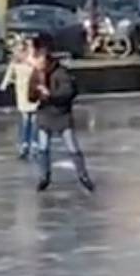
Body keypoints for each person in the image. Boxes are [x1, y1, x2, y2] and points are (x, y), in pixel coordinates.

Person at [31, 35, 95, 193]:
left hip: (61, 115)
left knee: (72, 147)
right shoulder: (36, 74)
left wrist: (50, 94)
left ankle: (83, 175)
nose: (36, 63)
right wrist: (36, 93)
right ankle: (44, 177)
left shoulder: (61, 73)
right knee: (43, 148)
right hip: (44, 115)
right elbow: (31, 96)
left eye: (38, 59)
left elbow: (68, 93)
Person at [2, 37, 40, 160]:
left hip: (34, 92)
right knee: (26, 120)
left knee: (33, 120)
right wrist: (4, 85)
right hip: (23, 93)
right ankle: (26, 144)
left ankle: (32, 144)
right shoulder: (16, 62)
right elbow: (9, 74)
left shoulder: (34, 61)